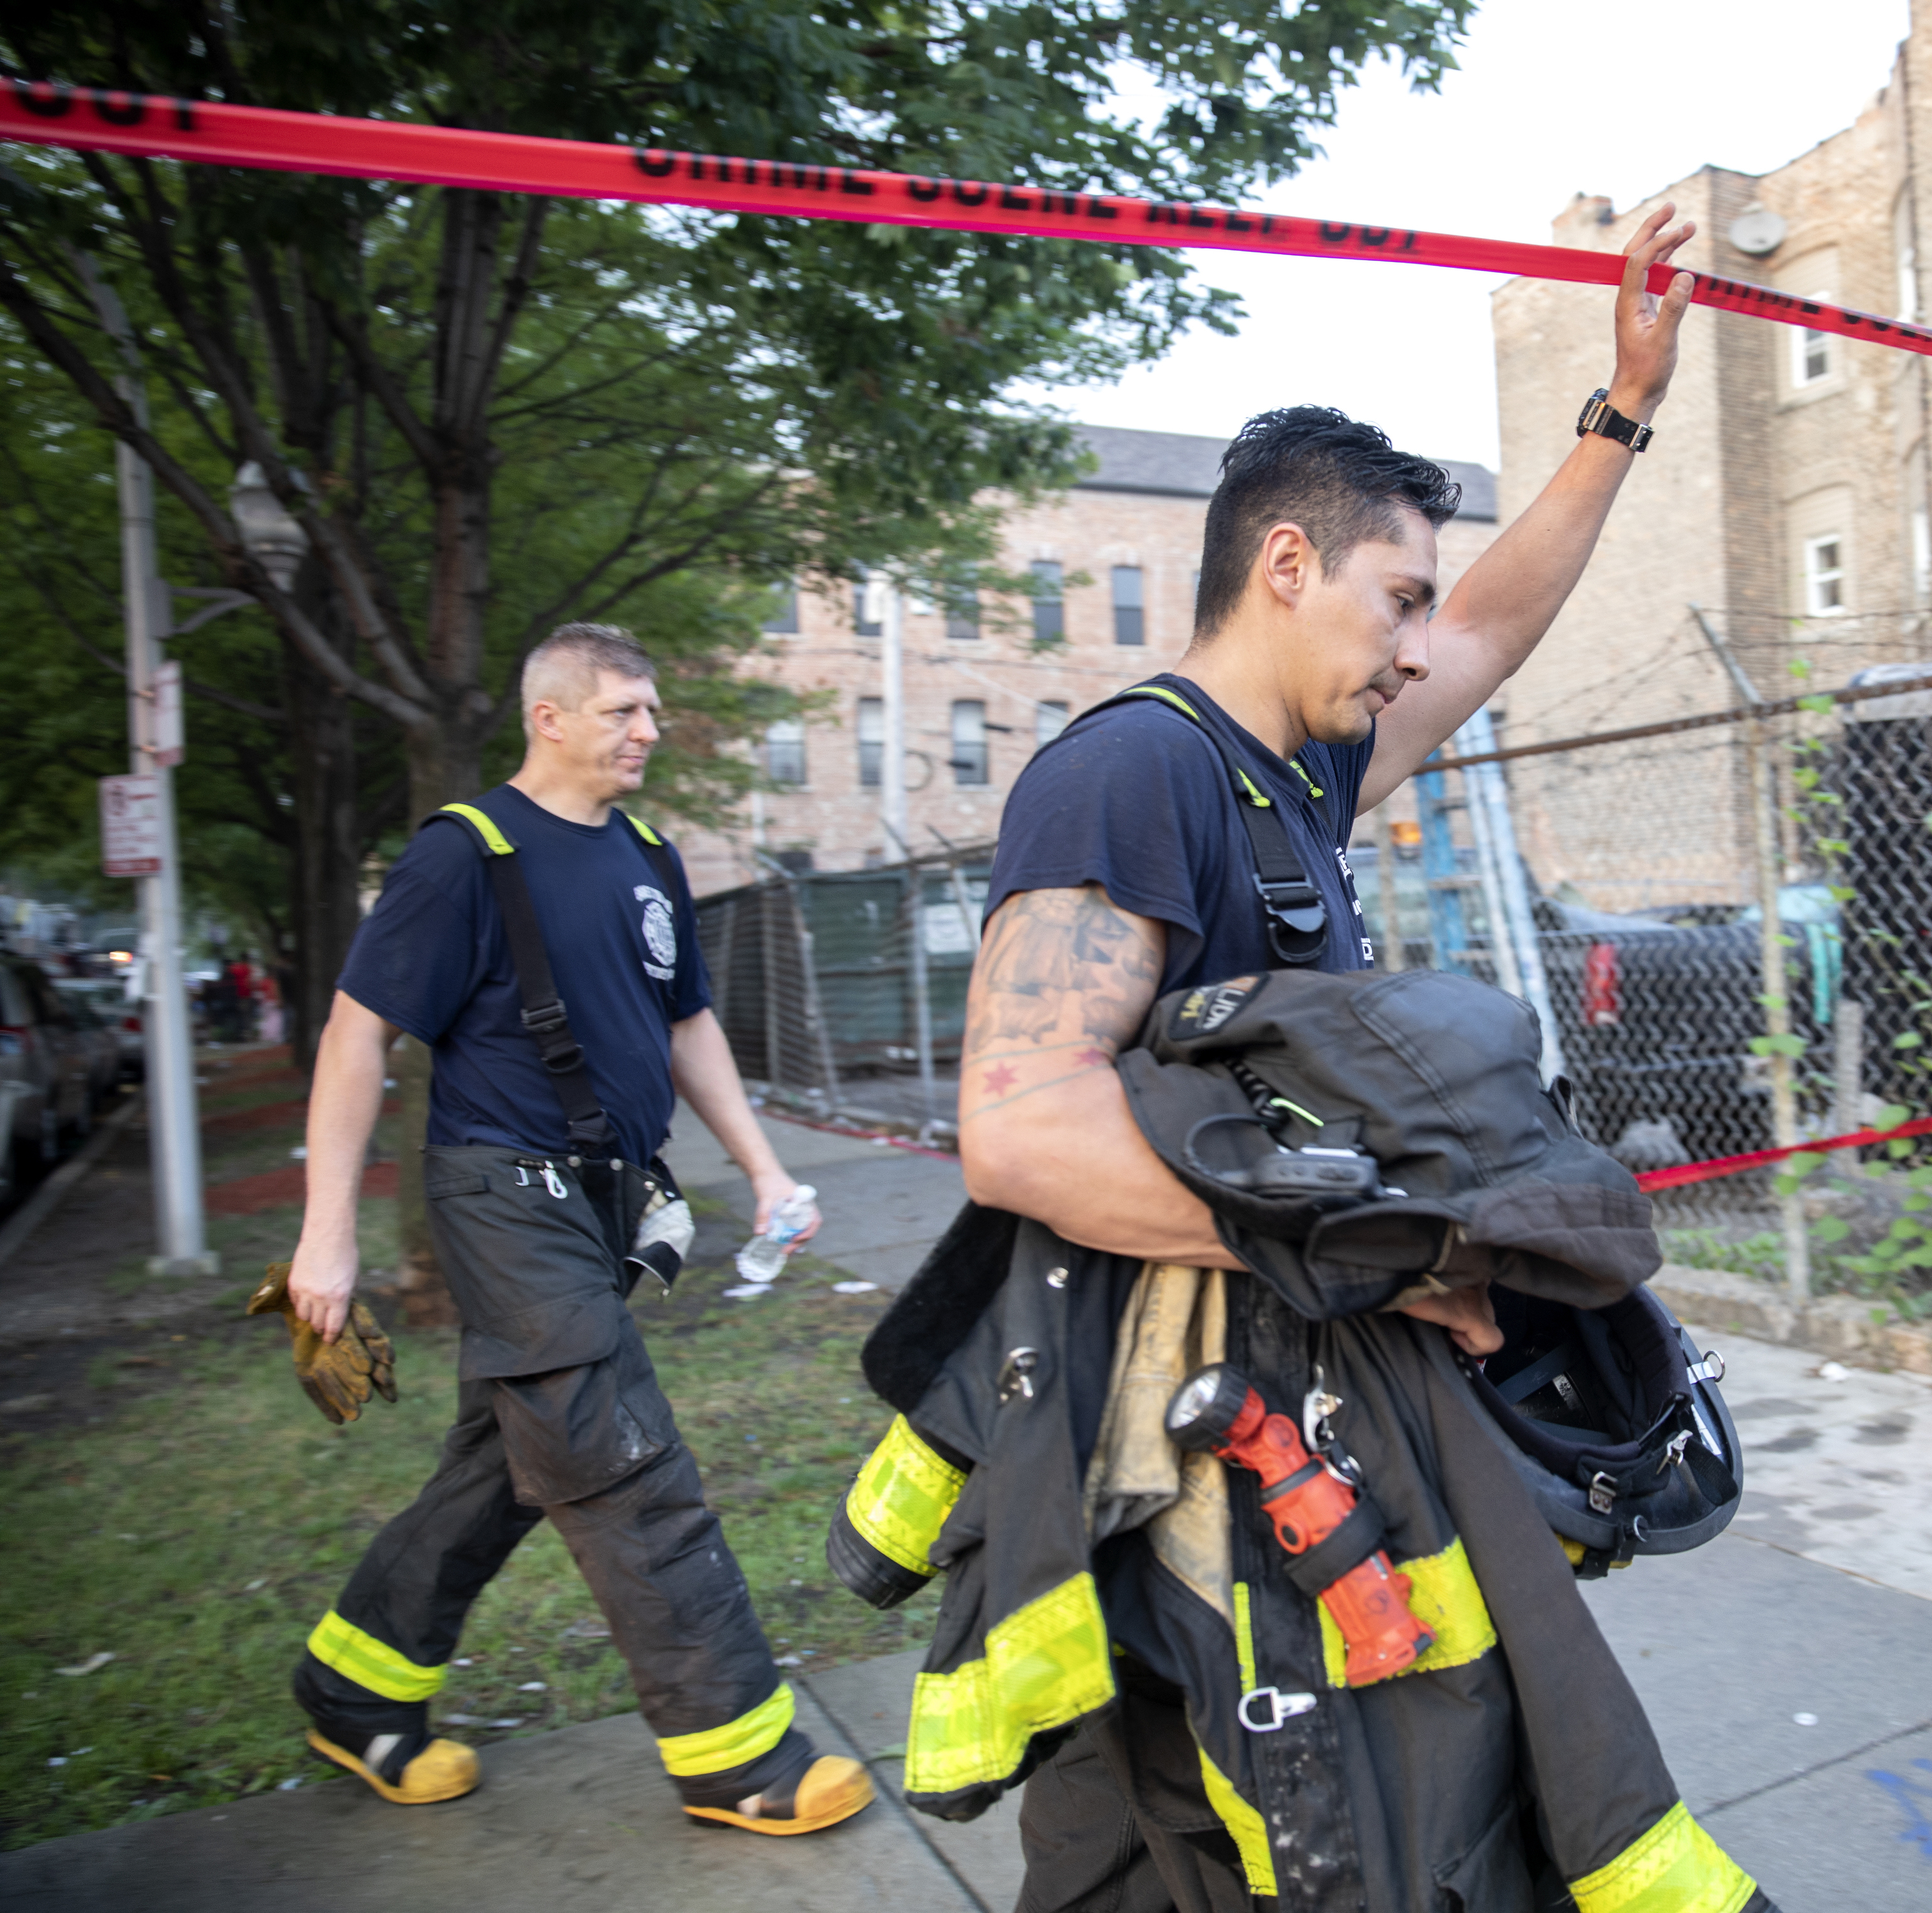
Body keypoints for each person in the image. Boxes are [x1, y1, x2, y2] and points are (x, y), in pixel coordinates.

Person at [949, 205, 1763, 1909]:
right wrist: (1392, 1248)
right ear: (1284, 567)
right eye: (1391, 594)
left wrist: (1617, 416)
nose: (1412, 643)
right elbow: (1020, 1129)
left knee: (1165, 1845)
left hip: (1274, 1415)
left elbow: (1487, 632)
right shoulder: (1131, 776)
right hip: (1186, 1452)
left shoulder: (1291, 776)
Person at [281, 624, 872, 1836]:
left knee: (507, 1465)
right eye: (623, 711)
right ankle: (733, 1751)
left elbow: (687, 1026)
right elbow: (355, 1036)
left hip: (602, 1198)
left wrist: (765, 1171)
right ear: (548, 718)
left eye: (651, 709)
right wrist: (325, 1237)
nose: (649, 731)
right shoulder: (465, 857)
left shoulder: (651, 853)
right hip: (502, 1195)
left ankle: (353, 1689)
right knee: (613, 1453)